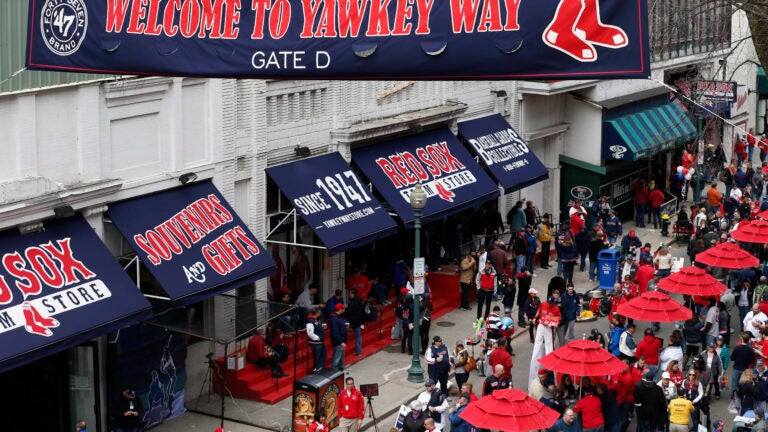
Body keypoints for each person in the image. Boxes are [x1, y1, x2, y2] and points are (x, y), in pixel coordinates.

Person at [529, 295, 561, 380]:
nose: (549, 304)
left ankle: (549, 367)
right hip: (541, 325)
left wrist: (553, 323)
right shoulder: (543, 304)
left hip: (549, 327)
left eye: (551, 303)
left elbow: (558, 319)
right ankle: (535, 363)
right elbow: (539, 311)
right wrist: (535, 318)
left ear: (553, 303)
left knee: (549, 348)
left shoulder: (556, 309)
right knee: (537, 346)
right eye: (548, 303)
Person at [306, 307, 327, 372]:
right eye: (319, 312)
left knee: (323, 355)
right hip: (316, 343)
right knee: (317, 357)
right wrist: (318, 338)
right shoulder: (310, 320)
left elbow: (318, 325)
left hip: (319, 342)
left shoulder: (316, 319)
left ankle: (319, 368)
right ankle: (316, 370)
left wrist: (322, 325)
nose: (320, 313)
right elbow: (310, 333)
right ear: (317, 313)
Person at [346, 289, 366, 356]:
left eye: (350, 293)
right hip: (359, 321)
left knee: (357, 336)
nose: (349, 294)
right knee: (358, 336)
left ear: (353, 294)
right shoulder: (360, 301)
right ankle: (358, 351)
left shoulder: (352, 303)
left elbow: (348, 312)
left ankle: (358, 351)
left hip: (353, 321)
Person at [330, 303, 348, 371]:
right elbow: (335, 332)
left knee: (341, 357)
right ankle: (334, 372)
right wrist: (341, 342)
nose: (344, 309)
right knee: (337, 358)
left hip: (342, 340)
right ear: (340, 309)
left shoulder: (339, 316)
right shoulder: (334, 318)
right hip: (338, 341)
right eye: (343, 308)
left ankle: (341, 370)